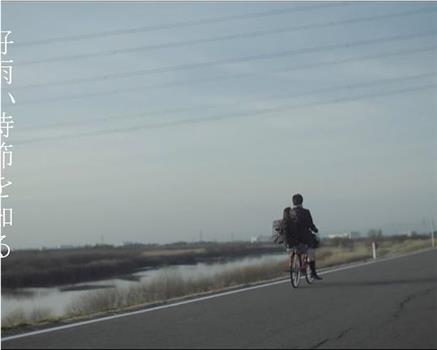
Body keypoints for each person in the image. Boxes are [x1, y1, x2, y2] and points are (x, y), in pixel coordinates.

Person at [286, 193, 322, 280]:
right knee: (311, 251)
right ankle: (313, 273)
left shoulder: (289, 212)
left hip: (292, 239)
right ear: (302, 201)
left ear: (293, 202)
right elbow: (310, 224)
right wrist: (316, 230)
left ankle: (292, 265)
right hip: (305, 238)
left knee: (294, 250)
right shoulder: (306, 212)